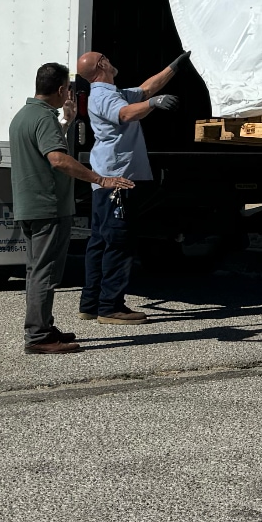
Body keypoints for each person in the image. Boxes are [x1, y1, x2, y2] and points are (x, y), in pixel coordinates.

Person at [11, 62, 134, 354]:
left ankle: (43, 325)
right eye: (67, 89)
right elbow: (57, 159)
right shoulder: (43, 119)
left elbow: (44, 150)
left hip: (29, 206)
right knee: (46, 272)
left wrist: (66, 121)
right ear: (61, 89)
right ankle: (38, 337)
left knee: (36, 270)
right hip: (48, 207)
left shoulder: (24, 116)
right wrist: (99, 178)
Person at [75, 49, 186, 324]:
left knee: (100, 241)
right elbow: (125, 114)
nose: (112, 59)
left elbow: (148, 88)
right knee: (119, 241)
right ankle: (111, 307)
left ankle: (90, 303)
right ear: (102, 64)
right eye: (106, 57)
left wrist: (175, 65)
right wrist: (153, 105)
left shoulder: (113, 92)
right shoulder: (105, 97)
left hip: (107, 180)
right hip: (119, 182)